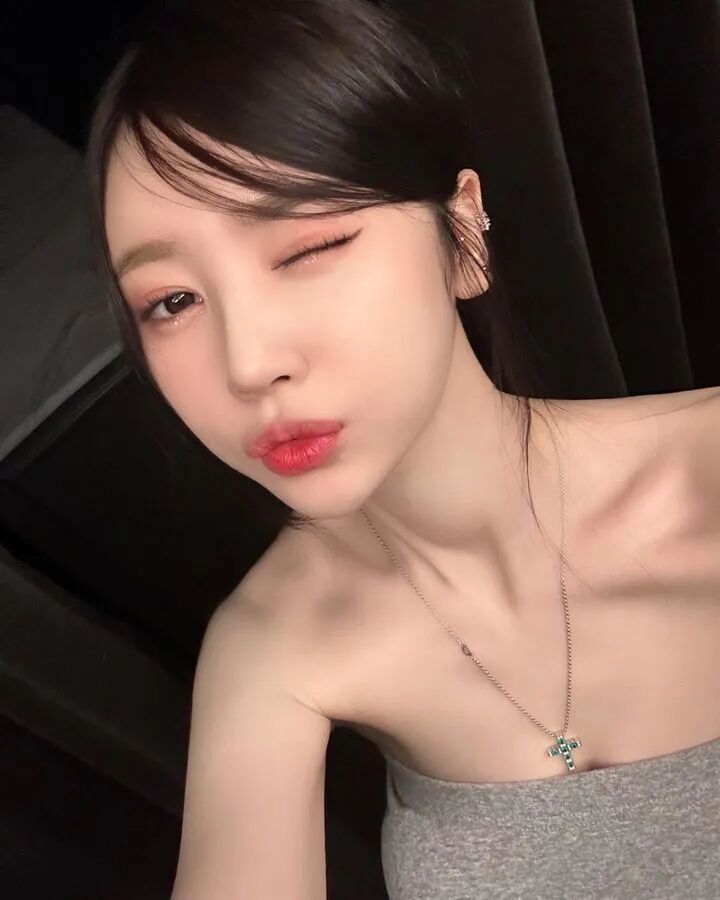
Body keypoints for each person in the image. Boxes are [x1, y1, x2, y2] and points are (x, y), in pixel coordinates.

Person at [85, 1, 720, 897]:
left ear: (462, 234)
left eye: (309, 246)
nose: (250, 364)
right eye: (173, 302)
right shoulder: (278, 644)